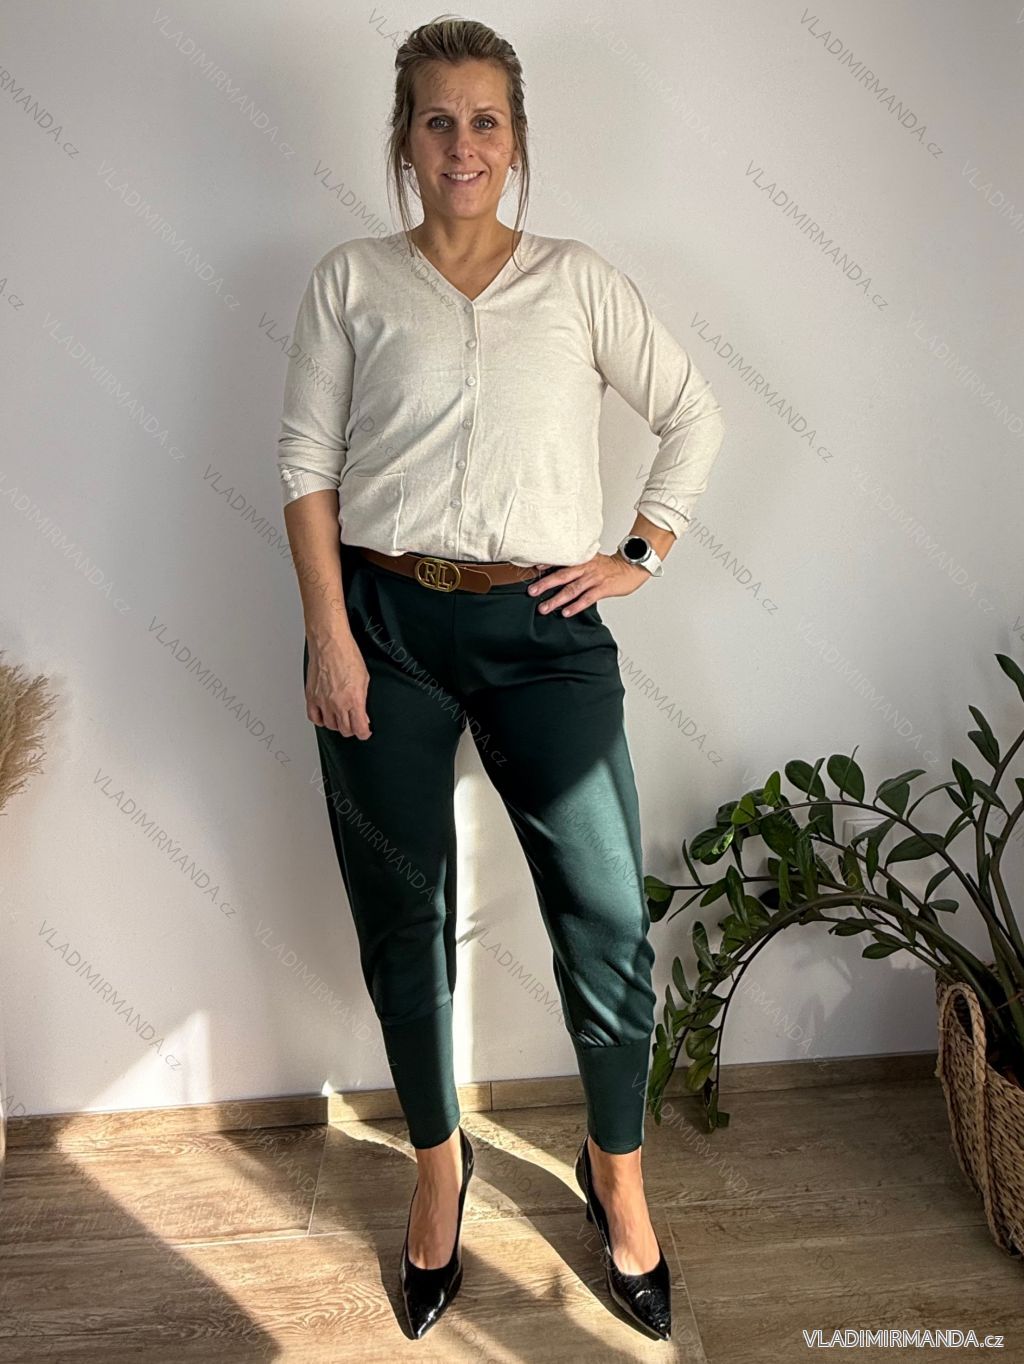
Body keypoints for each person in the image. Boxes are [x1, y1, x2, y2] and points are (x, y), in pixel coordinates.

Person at [276, 15, 726, 1345]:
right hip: (383, 626)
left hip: (545, 630)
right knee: (401, 915)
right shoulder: (350, 280)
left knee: (604, 915)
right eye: (438, 119)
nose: (461, 144)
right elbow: (306, 465)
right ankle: (438, 1164)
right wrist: (330, 635)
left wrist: (639, 551)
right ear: (403, 140)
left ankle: (615, 1172)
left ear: (516, 141)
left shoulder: (577, 282)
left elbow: (693, 411)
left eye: (485, 121)